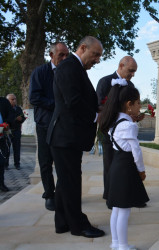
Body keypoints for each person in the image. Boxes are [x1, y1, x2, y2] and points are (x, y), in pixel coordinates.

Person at [46, 36, 104, 238]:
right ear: (82, 48)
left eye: (99, 56)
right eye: (95, 54)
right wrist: (97, 114)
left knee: (65, 182)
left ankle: (62, 223)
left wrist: (97, 107)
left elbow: (81, 99)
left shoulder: (75, 68)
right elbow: (73, 102)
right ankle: (79, 226)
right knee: (71, 182)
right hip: (64, 137)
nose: (97, 60)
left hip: (66, 136)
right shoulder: (69, 67)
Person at [99, 82, 149, 250]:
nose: (139, 107)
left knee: (117, 209)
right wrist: (141, 170)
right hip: (126, 169)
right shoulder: (129, 125)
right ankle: (122, 246)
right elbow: (136, 150)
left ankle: (116, 243)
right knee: (124, 210)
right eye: (138, 103)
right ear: (129, 105)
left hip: (116, 166)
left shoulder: (115, 122)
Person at [96, 56, 145, 203]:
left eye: (134, 72)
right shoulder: (105, 81)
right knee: (110, 163)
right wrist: (119, 115)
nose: (132, 74)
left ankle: (129, 195)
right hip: (109, 131)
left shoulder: (130, 85)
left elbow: (129, 107)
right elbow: (98, 105)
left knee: (126, 165)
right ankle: (110, 196)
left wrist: (133, 116)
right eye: (131, 70)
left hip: (125, 131)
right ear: (121, 65)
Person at [29, 42, 69, 211]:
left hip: (64, 124)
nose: (65, 58)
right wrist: (56, 104)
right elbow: (34, 98)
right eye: (61, 55)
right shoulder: (40, 72)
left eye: (67, 55)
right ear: (51, 55)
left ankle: (63, 193)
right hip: (45, 124)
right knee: (46, 161)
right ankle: (49, 194)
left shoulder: (68, 73)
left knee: (64, 162)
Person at [5, 94, 26, 170]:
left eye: (15, 99)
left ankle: (17, 164)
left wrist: (21, 119)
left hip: (17, 131)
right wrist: (14, 119)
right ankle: (5, 164)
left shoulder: (18, 109)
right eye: (12, 99)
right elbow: (5, 119)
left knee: (17, 148)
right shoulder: (5, 109)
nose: (14, 101)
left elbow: (23, 117)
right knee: (6, 148)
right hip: (8, 131)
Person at [0, 97, 15, 192]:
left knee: (1, 162)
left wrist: (7, 123)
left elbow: (11, 114)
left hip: (1, 136)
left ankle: (1, 183)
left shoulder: (3, 101)